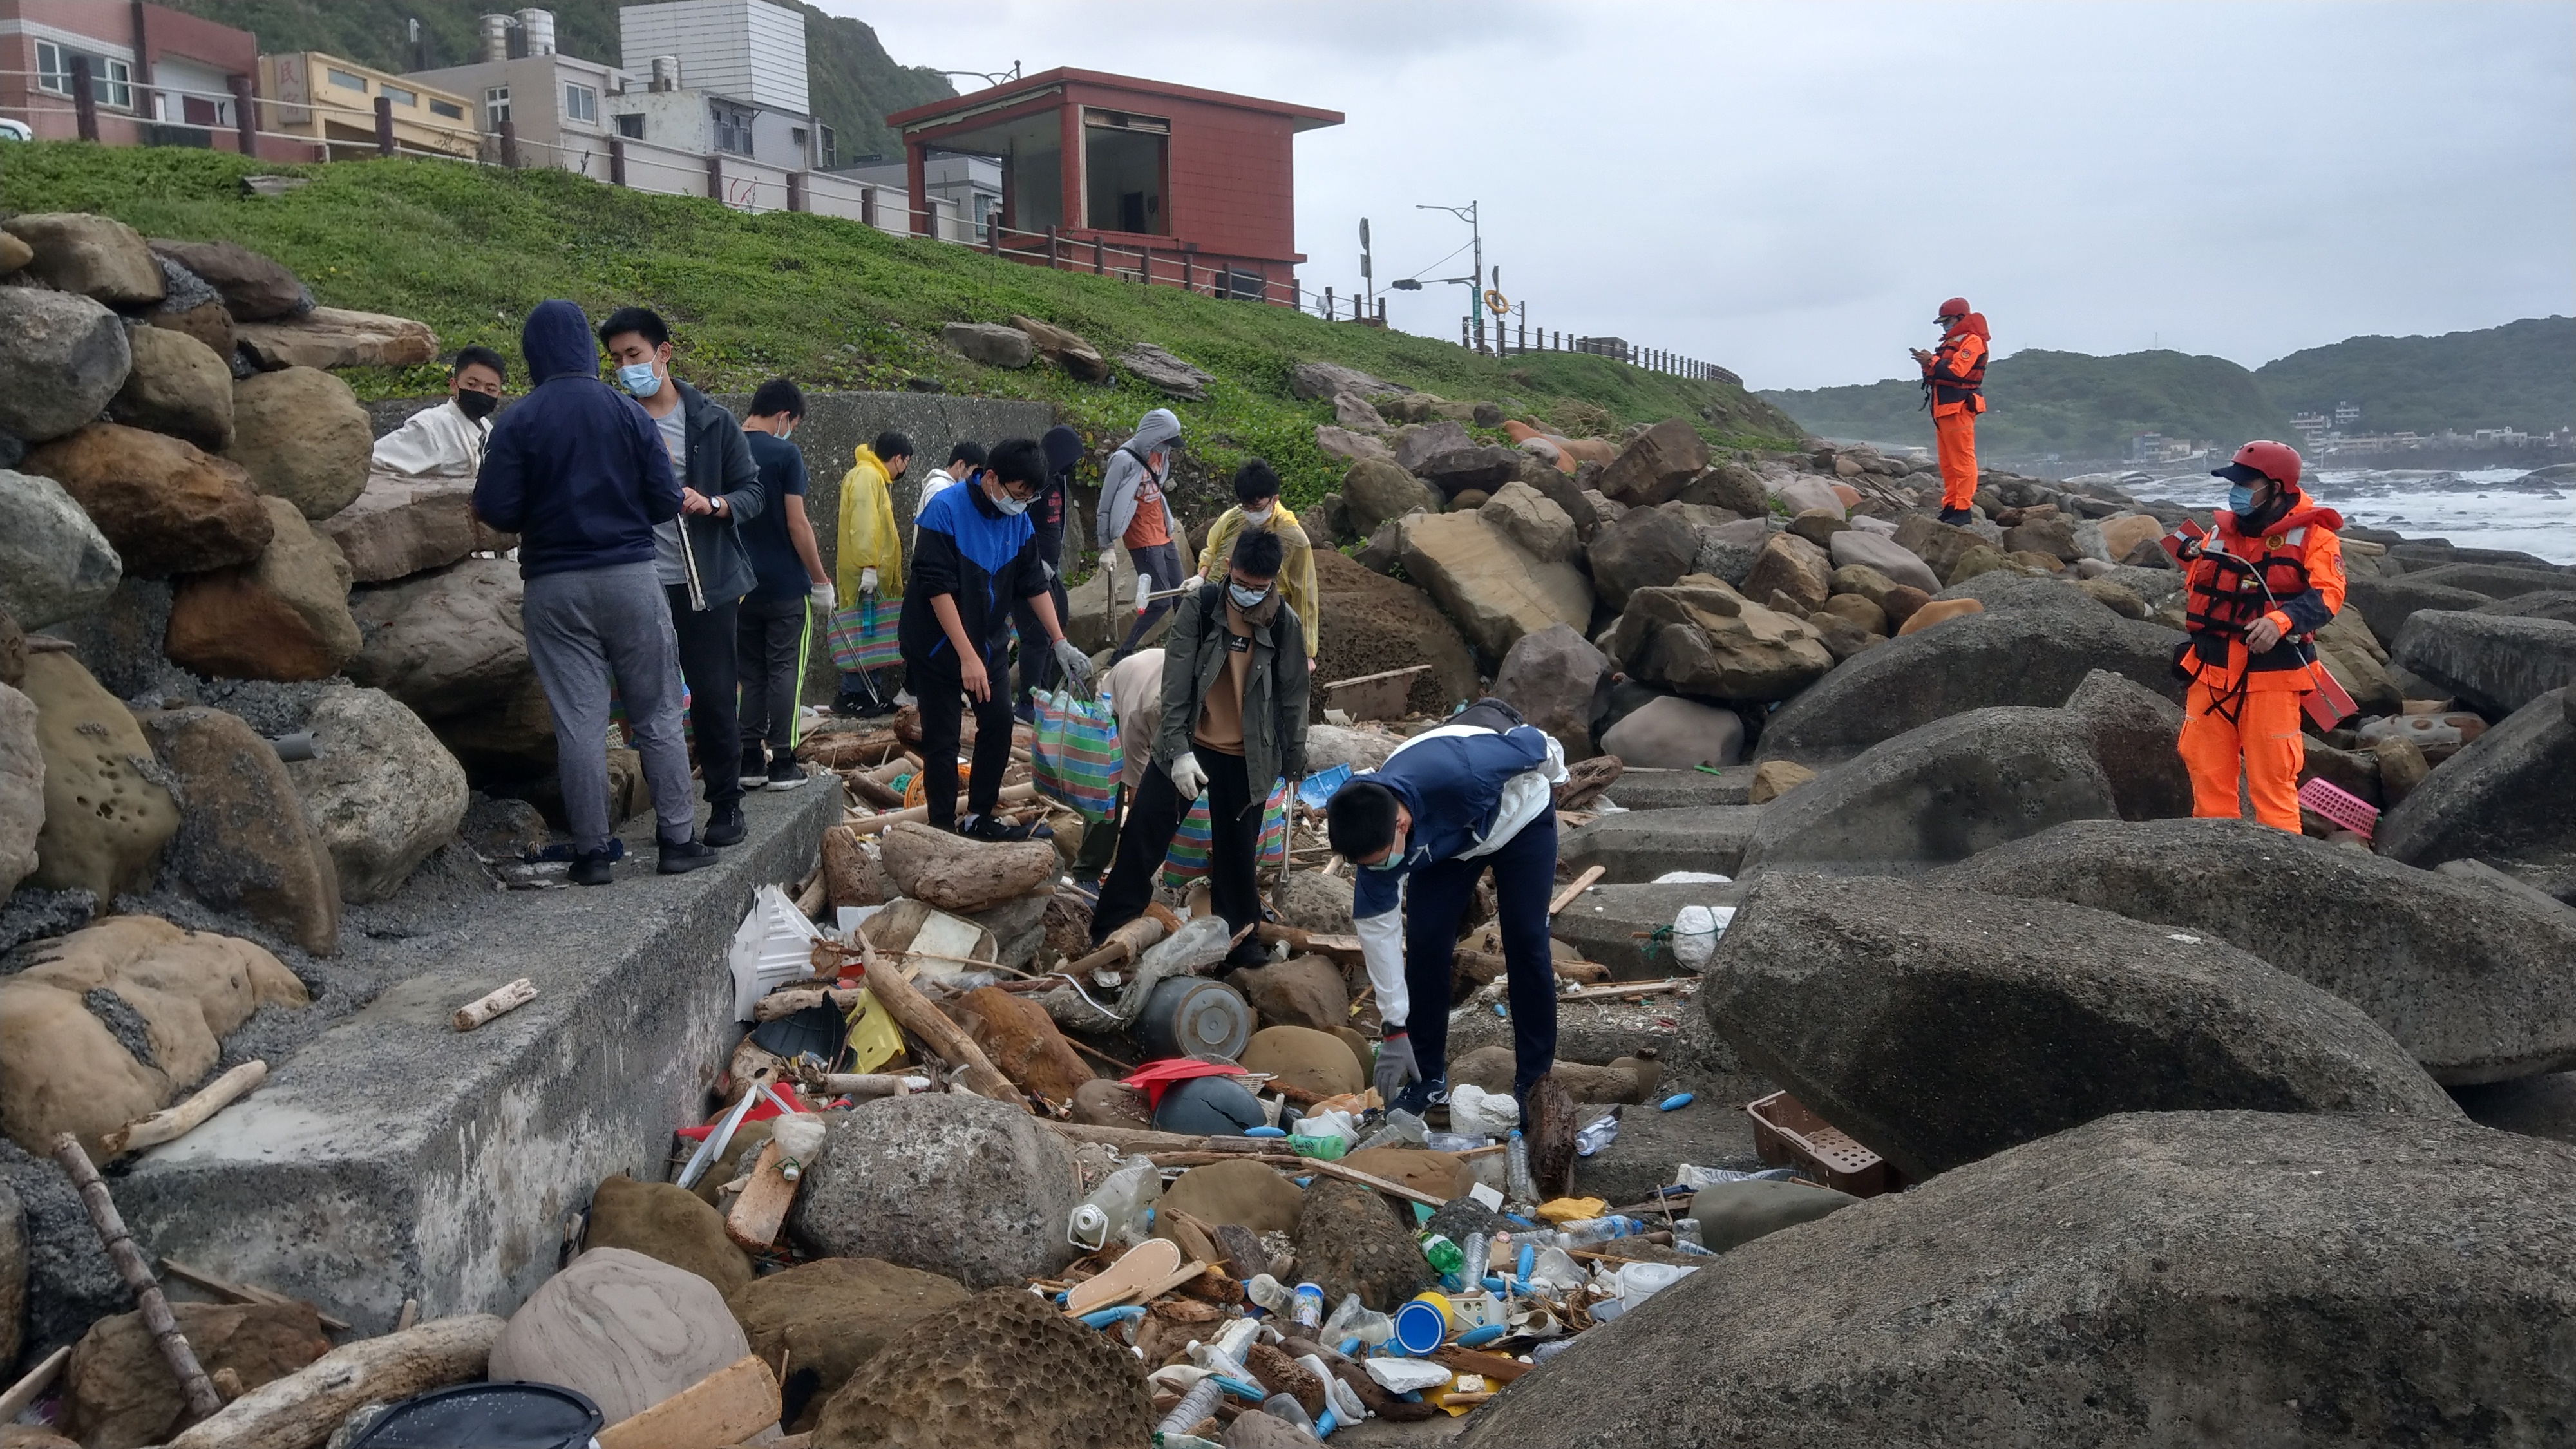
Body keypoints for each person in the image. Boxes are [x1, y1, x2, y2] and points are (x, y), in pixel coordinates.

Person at [469, 301, 715, 884]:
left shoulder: (518, 420)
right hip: (630, 577)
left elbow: (495, 508)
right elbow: (665, 499)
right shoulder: (627, 413)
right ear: (586, 347)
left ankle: (592, 853)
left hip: (553, 586)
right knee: (657, 712)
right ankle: (678, 841)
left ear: (533, 355)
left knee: (578, 722)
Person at [1326, 701, 1568, 1113]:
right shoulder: (1370, 838)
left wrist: (1557, 777)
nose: (1378, 870)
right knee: (1426, 944)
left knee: (1526, 938)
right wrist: (1394, 1027)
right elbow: (1379, 934)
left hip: (1520, 819)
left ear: (1400, 825)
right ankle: (1428, 1080)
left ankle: (1534, 1081)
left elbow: (1535, 744)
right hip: (1450, 850)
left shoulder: (1466, 770)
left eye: (1381, 860)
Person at [1089, 530, 1311, 969]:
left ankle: (1241, 944)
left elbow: (1294, 696)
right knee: (1145, 831)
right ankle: (1110, 926)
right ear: (1229, 569)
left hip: (1248, 754)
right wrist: (1178, 751)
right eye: (1242, 583)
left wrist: (1294, 759)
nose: (1249, 593)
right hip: (1191, 742)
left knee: (1237, 853)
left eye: (1260, 587)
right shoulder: (1203, 606)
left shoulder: (1284, 623)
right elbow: (1175, 684)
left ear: (1274, 581)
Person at [600, 306, 766, 849]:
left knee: (715, 697)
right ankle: (671, 814)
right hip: (638, 584)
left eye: (634, 354)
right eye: (616, 360)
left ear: (664, 353)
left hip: (705, 586)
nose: (626, 368)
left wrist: (712, 503)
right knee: (650, 704)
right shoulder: (614, 421)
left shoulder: (712, 421)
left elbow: (753, 492)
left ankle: (726, 804)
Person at [902, 437, 1095, 840]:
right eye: (1018, 494)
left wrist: (1059, 640)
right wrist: (966, 657)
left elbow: (1033, 583)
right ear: (991, 478)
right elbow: (937, 589)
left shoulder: (1018, 520)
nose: (1021, 504)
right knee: (942, 738)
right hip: (937, 645)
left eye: (1029, 498)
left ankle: (979, 816)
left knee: (999, 724)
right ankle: (942, 828)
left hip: (987, 642)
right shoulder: (945, 510)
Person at [2172, 440, 2347, 833]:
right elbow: (2197, 584)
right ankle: (2215, 854)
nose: (2236, 492)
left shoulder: (2315, 537)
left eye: (2246, 484)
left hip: (2272, 679)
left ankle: (2283, 862)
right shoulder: (2218, 533)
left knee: (2273, 783)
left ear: (2277, 488)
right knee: (2206, 775)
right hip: (2210, 671)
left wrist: (2281, 621)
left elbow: (2329, 594)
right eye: (2235, 483)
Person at [733, 379, 831, 792]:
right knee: (785, 669)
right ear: (784, 417)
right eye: (794, 424)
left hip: (738, 587)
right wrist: (820, 579)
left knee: (751, 674)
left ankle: (750, 760)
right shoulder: (786, 454)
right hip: (786, 586)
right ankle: (784, 762)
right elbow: (798, 524)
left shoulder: (725, 446)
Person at [1065, 645, 1167, 900]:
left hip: (1149, 679)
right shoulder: (1138, 716)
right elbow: (1136, 794)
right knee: (1108, 793)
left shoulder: (1195, 704)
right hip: (1114, 703)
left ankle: (1138, 868)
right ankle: (1087, 873)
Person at [1194, 459, 1321, 661]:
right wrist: (1201, 575)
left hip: (1264, 616)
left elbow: (1305, 596)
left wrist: (1306, 651)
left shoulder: (1294, 539)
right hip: (1220, 605)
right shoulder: (1234, 517)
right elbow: (1213, 549)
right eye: (1245, 506)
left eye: (1257, 506)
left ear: (1274, 499)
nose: (1251, 512)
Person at [834, 431, 912, 716]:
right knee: (863, 633)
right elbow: (865, 523)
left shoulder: (870, 476)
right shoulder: (868, 476)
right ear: (899, 459)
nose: (904, 469)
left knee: (870, 633)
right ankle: (855, 693)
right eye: (906, 462)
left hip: (869, 572)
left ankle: (869, 691)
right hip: (865, 573)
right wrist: (869, 566)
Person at [1097, 408, 1184, 661]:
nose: (1168, 448)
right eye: (1165, 442)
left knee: (1180, 595)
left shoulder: (1162, 455)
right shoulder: (1123, 460)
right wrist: (1107, 546)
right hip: (1141, 535)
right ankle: (1124, 651)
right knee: (1161, 601)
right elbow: (1105, 505)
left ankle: (1184, 650)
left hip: (1162, 528)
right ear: (1154, 436)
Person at [1010, 424, 1084, 715]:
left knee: (1057, 627)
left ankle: (1043, 694)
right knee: (1037, 636)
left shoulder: (1058, 480)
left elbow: (1057, 525)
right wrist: (1035, 560)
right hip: (1029, 570)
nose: (1072, 467)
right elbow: (1018, 521)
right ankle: (1028, 703)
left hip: (1051, 570)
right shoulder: (1035, 481)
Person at [372, 345, 506, 478]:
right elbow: (374, 460)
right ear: (454, 385)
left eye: (490, 390)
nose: (481, 392)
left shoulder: (488, 429)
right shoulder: (431, 428)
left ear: (498, 394)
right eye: (472, 384)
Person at [1911, 298, 1989, 524]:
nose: (1944, 326)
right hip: (1943, 409)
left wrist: (1932, 361)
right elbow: (1940, 372)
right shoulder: (1953, 342)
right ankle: (1951, 505)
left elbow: (1957, 371)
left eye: (1947, 321)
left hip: (1958, 407)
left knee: (1963, 460)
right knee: (1948, 463)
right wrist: (1927, 363)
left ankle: (1963, 509)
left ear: (1961, 318)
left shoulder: (1973, 340)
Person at [911, 439, 986, 528]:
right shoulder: (939, 487)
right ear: (961, 465)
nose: (975, 479)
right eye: (974, 473)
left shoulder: (947, 487)